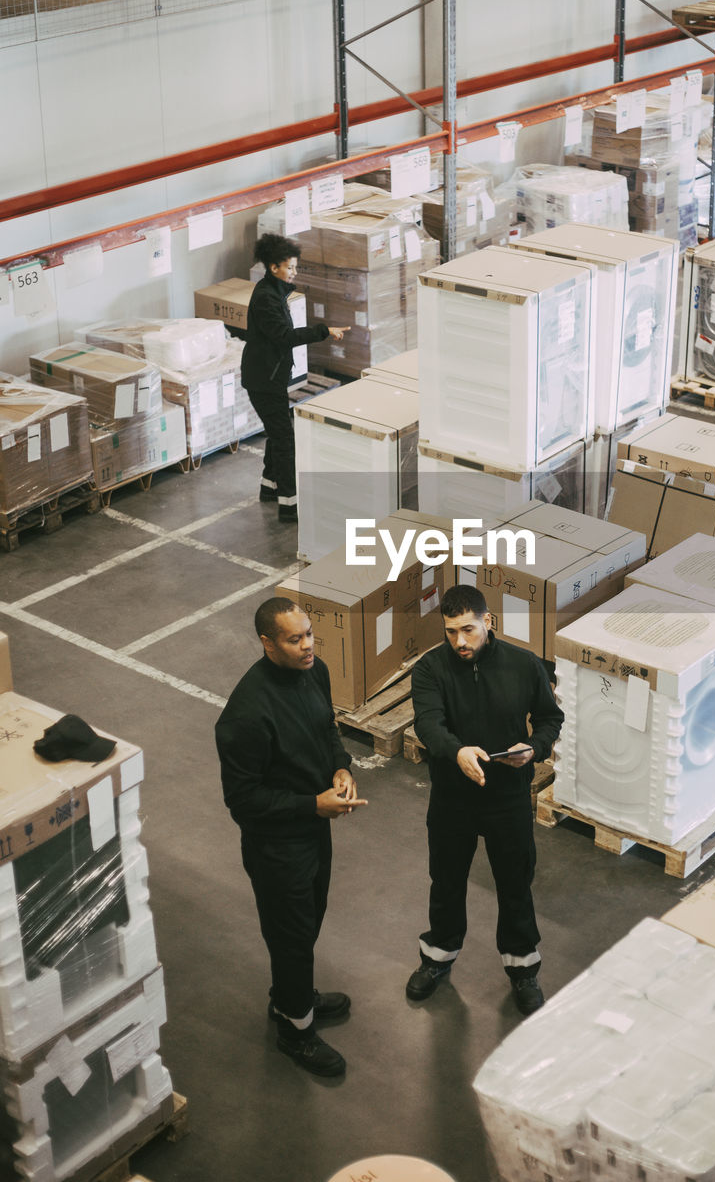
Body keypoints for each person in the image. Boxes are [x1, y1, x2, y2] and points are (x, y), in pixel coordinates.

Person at [215, 597, 367, 1077]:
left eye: (309, 634)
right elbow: (243, 802)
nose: (307, 646)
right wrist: (311, 805)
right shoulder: (245, 716)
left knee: (309, 920)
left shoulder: (313, 671)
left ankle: (291, 998)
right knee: (291, 935)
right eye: (294, 639)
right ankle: (294, 1032)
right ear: (267, 643)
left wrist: (341, 766)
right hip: (277, 846)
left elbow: (327, 729)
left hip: (314, 829)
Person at [408, 584, 564, 1016]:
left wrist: (534, 748)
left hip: (508, 798)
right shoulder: (430, 669)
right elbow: (428, 723)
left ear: (487, 622)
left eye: (469, 630)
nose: (460, 641)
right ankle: (438, 956)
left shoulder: (523, 665)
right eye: (451, 631)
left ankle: (523, 968)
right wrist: (456, 751)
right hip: (453, 799)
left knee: (515, 882)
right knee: (446, 880)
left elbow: (551, 717)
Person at [242, 234, 350, 523]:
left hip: (270, 376)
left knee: (277, 432)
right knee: (285, 439)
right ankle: (290, 505)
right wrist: (323, 331)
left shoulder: (275, 290)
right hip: (264, 380)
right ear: (274, 266)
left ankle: (269, 486)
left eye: (295, 267)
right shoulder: (266, 297)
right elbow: (285, 336)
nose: (294, 272)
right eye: (290, 267)